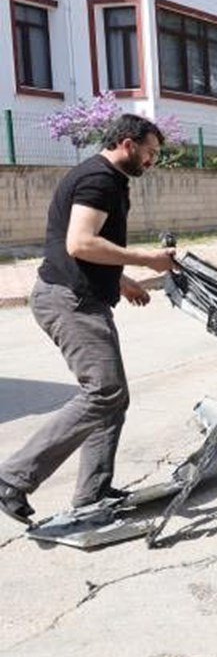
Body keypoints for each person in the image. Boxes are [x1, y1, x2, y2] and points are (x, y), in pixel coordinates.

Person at [0, 114, 176, 526]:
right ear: (128, 144)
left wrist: (124, 278)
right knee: (104, 393)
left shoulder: (106, 178)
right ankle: (12, 477)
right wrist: (147, 259)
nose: (152, 161)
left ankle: (92, 493)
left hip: (80, 295)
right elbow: (80, 242)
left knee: (113, 397)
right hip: (70, 300)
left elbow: (87, 247)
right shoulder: (99, 180)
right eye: (150, 152)